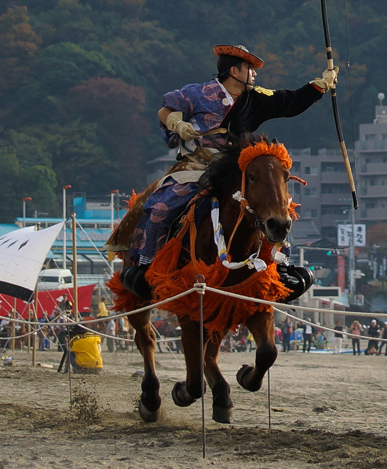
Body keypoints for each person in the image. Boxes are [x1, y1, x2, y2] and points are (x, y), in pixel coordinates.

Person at [117, 44, 336, 301]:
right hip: (196, 165)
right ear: (234, 71)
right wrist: (178, 123)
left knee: (275, 206)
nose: (254, 75)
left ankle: (281, 266)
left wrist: (321, 85)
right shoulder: (197, 93)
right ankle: (146, 267)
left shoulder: (256, 97)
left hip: (234, 168)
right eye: (249, 69)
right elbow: (165, 109)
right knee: (161, 207)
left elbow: (290, 101)